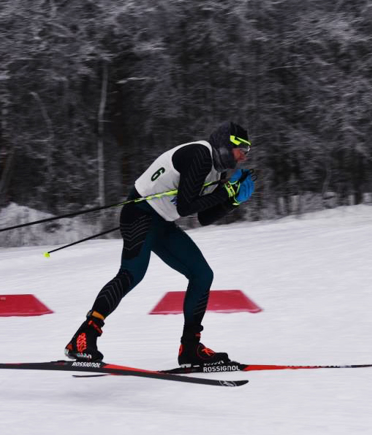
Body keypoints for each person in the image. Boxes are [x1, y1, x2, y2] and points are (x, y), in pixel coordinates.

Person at [65, 121, 255, 368]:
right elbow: (186, 206)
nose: (243, 156)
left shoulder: (216, 172)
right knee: (132, 274)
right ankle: (84, 336)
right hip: (140, 213)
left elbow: (203, 217)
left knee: (202, 274)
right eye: (242, 148)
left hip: (162, 222)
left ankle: (190, 348)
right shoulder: (200, 154)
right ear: (225, 143)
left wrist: (232, 201)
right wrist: (226, 192)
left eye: (247, 151)